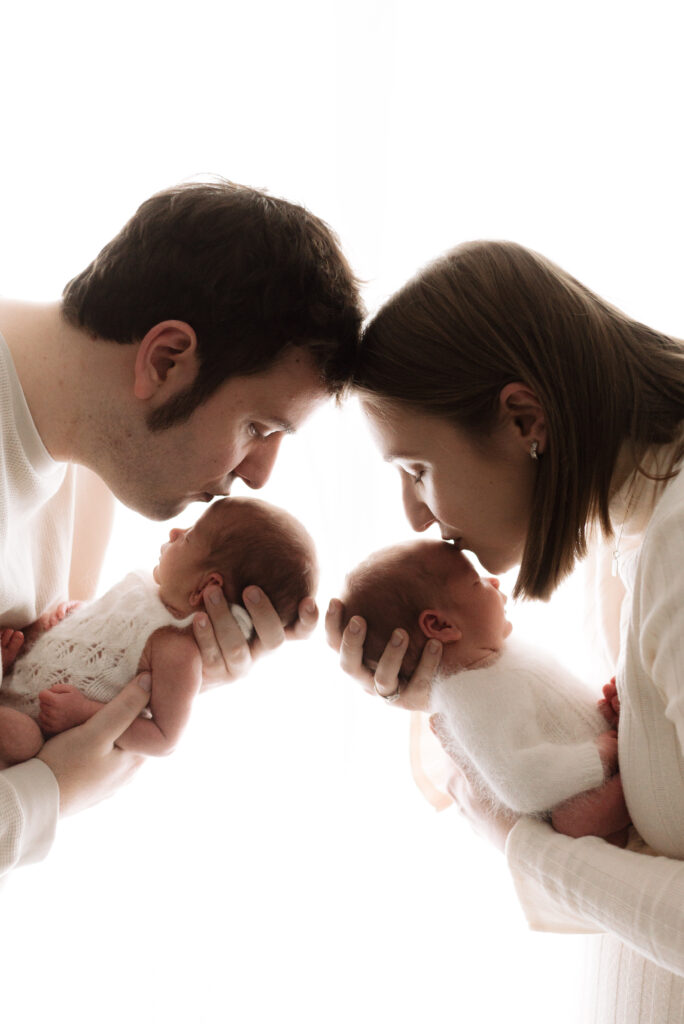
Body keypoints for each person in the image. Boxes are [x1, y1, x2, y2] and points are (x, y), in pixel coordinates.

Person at [326, 240, 684, 1021]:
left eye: (416, 469)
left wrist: (520, 845)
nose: (415, 517)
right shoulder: (621, 537)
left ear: (525, 418)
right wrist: (445, 682)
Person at [0, 178, 362, 878]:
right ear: (166, 359)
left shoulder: (85, 463)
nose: (259, 476)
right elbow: (52, 772)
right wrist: (58, 791)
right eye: (257, 426)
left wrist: (167, 668)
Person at [341, 539, 628, 842]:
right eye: (477, 582)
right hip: (583, 795)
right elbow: (522, 783)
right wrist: (600, 756)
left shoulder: (499, 659)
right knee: (574, 819)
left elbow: (556, 716)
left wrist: (604, 711)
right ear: (440, 624)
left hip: (602, 752)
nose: (494, 580)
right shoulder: (469, 698)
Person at [0, 496, 317, 761]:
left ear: (206, 586)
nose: (175, 532)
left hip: (33, 722)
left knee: (23, 740)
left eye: (190, 536)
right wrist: (71, 618)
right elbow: (105, 636)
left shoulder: (177, 650)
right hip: (17, 678)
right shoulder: (144, 586)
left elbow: (163, 738)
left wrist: (83, 712)